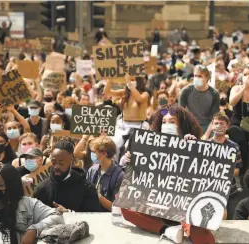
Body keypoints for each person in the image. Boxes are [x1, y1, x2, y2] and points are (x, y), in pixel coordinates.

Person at [120, 105, 215, 244]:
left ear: (182, 126)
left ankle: (187, 228)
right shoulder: (148, 146)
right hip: (156, 205)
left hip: (183, 207)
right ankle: (166, 230)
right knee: (126, 206)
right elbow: (135, 181)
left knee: (201, 231)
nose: (167, 125)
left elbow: (204, 177)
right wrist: (127, 161)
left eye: (172, 122)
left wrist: (194, 149)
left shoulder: (192, 143)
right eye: (164, 122)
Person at [0, 164, 64, 243]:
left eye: (0, 185)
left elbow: (57, 217)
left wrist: (34, 230)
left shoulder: (27, 204)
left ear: (11, 187)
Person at [34, 139, 101, 213]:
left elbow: (93, 217)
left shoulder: (87, 188)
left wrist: (68, 213)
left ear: (71, 162)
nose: (56, 167)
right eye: (53, 162)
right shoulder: (41, 189)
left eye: (61, 164)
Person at [104, 76, 149, 160]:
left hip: (139, 126)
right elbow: (107, 92)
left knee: (131, 150)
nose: (131, 81)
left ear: (138, 81)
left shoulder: (145, 94)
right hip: (123, 126)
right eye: (130, 80)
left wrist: (129, 83)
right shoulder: (124, 93)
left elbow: (139, 99)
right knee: (112, 147)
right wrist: (110, 79)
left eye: (133, 80)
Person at [86, 136, 124, 212]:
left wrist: (97, 196)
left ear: (104, 154)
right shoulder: (92, 170)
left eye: (94, 152)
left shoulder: (119, 176)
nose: (92, 155)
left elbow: (117, 209)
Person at [179, 65, 220, 132]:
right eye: (195, 76)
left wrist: (207, 134)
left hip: (207, 126)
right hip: (190, 124)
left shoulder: (214, 93)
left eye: (200, 76)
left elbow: (214, 117)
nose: (196, 78)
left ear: (207, 78)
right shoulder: (186, 91)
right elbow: (180, 113)